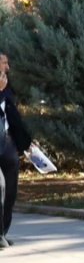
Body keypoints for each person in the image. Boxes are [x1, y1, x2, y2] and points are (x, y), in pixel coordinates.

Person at [0, 53, 33, 249]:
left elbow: (13, 116)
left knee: (10, 192)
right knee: (0, 187)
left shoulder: (7, 87)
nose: (8, 67)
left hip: (8, 144)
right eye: (4, 63)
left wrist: (25, 143)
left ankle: (3, 232)